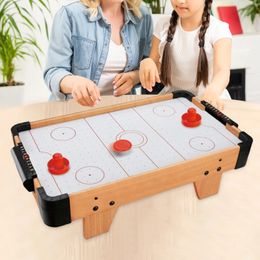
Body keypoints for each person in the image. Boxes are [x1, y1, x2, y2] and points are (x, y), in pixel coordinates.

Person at [44, 0, 153, 106]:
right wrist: (75, 83)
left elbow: (148, 66)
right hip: (73, 111)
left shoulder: (142, 16)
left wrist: (134, 77)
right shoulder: (70, 15)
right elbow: (53, 72)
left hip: (120, 110)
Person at [139, 0, 232, 110]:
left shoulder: (219, 29)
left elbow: (222, 71)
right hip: (173, 102)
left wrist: (214, 89)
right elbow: (155, 65)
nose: (180, 1)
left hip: (210, 102)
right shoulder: (163, 24)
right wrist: (147, 62)